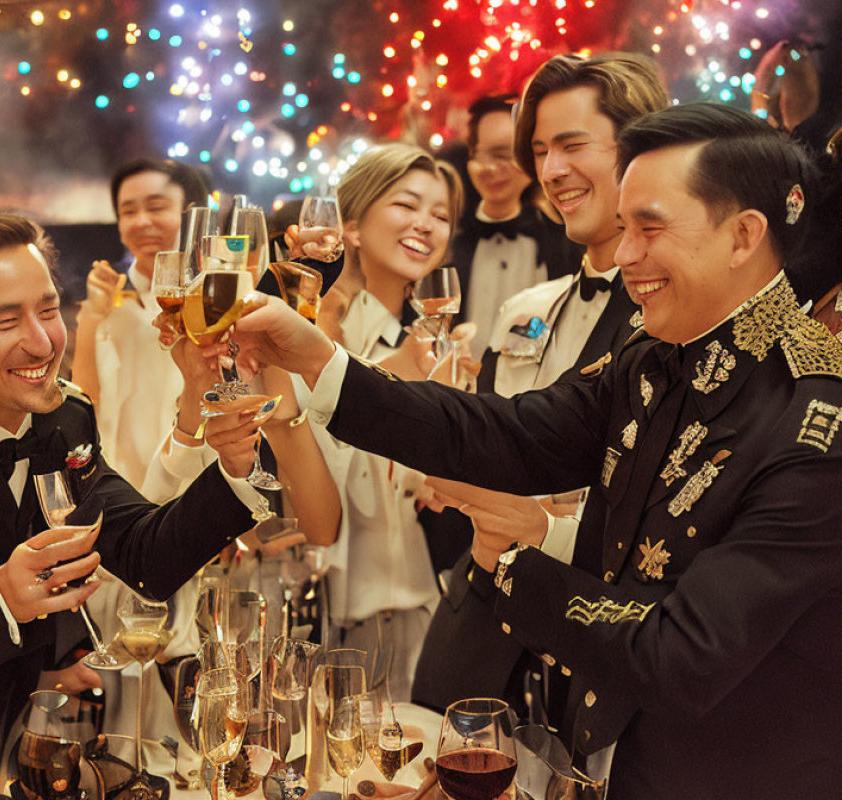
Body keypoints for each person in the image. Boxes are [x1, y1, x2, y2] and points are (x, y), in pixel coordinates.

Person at [232, 103, 842, 798]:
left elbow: (683, 655)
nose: (628, 255)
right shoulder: (650, 357)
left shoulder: (815, 418)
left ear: (744, 236)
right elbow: (508, 432)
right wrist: (320, 359)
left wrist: (520, 561)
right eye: (624, 227)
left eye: (650, 227)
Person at [0, 215, 262, 800]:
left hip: (28, 766)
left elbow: (146, 557)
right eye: (5, 320)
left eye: (47, 309)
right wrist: (1, 602)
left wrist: (235, 469)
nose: (43, 343)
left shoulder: (63, 417)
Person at [412, 52, 668, 713]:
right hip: (482, 618)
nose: (551, 172)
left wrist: (552, 521)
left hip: (599, 640)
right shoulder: (524, 309)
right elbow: (495, 445)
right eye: (541, 151)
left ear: (639, 150)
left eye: (572, 146)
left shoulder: (673, 320)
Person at [290, 143, 465, 701]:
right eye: (407, 205)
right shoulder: (312, 329)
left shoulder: (431, 339)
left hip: (417, 594)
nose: (426, 225)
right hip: (324, 606)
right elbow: (301, 450)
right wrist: (401, 373)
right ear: (354, 226)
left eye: (440, 216)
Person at [71, 157, 209, 490]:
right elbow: (83, 405)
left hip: (198, 487)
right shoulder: (108, 297)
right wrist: (92, 313)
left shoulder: (215, 298)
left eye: (156, 207)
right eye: (128, 212)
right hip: (122, 491)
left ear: (189, 213)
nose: (141, 221)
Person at [451, 93, 578, 355]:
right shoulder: (449, 243)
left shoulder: (565, 241)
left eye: (504, 155)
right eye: (481, 155)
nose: (490, 168)